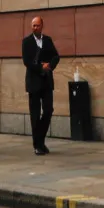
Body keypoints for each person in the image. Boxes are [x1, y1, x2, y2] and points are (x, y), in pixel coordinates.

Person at [21, 15, 60, 155]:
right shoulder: (27, 42)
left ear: (42, 26)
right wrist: (39, 68)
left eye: (37, 25)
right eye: (33, 25)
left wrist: (50, 66)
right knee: (35, 114)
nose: (35, 28)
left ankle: (41, 139)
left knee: (48, 110)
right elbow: (26, 61)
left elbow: (56, 56)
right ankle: (37, 145)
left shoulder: (47, 40)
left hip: (47, 81)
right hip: (33, 82)